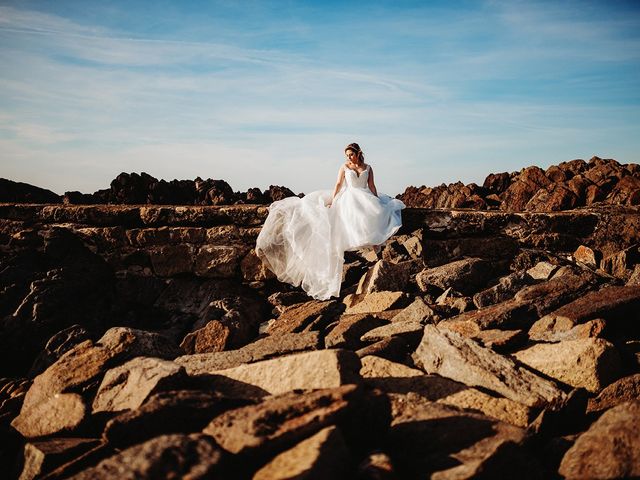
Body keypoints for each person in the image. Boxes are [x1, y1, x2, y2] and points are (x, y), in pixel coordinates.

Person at [255, 143, 405, 300]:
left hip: (365, 195)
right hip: (349, 196)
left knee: (374, 212)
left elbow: (372, 185)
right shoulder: (344, 167)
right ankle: (360, 243)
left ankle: (374, 244)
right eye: (346, 155)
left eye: (350, 154)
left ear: (358, 153)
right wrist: (333, 200)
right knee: (351, 215)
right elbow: (339, 184)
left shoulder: (368, 167)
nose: (348, 157)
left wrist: (376, 199)